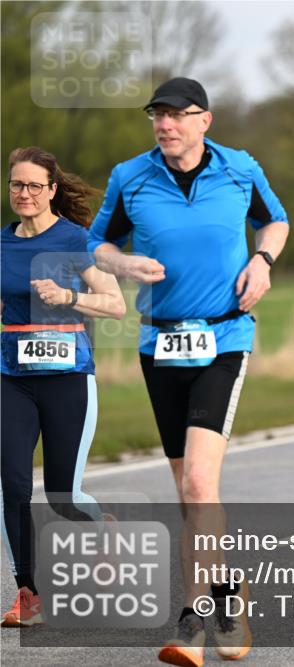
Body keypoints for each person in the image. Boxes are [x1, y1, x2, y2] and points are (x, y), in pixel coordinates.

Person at [88, 78, 289, 666]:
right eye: (158, 114)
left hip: (225, 336)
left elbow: (275, 220)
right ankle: (229, 594)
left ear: (205, 119)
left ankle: (193, 622)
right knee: (189, 494)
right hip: (161, 346)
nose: (165, 123)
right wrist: (122, 262)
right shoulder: (131, 176)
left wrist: (263, 259)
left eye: (177, 115)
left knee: (201, 485)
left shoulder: (239, 168)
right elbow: (96, 242)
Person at [1, 147, 126, 628]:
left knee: (62, 496)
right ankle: (27, 593)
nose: (24, 193)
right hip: (11, 378)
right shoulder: (1, 244)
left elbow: (114, 305)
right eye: (17, 184)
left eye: (34, 185)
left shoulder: (76, 239)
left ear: (52, 190)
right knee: (11, 483)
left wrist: (69, 296)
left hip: (68, 379)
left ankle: (101, 531)